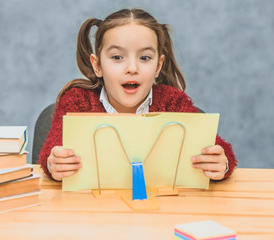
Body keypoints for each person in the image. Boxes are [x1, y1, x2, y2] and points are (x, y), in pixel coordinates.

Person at [39, 8, 237, 181]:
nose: (132, 68)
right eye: (117, 57)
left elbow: (219, 150)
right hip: (92, 212)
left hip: (161, 210)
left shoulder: (172, 102)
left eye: (144, 58)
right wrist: (53, 164)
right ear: (97, 65)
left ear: (158, 66)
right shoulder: (76, 102)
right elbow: (50, 152)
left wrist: (221, 163)